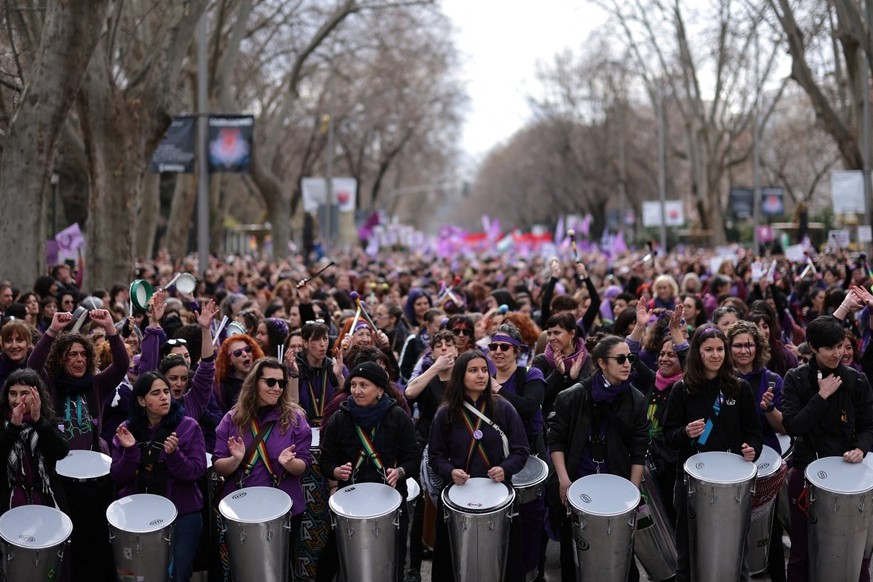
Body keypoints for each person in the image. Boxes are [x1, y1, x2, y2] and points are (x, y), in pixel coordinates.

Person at [547, 335, 651, 581]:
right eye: (621, 359)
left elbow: (639, 449)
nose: (628, 364)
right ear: (602, 363)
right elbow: (556, 440)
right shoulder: (571, 396)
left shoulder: (635, 399)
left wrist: (633, 494)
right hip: (576, 481)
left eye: (631, 358)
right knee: (574, 555)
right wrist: (563, 480)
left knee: (621, 558)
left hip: (616, 484)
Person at [664, 324, 763, 582]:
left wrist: (753, 449)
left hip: (732, 483)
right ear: (698, 352)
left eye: (720, 349)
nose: (716, 355)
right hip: (690, 482)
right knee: (688, 553)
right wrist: (685, 432)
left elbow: (754, 432)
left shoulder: (739, 388)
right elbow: (668, 437)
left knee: (734, 552)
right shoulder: (682, 389)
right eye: (709, 349)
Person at [781, 315, 873, 582]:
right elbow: (793, 426)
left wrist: (861, 448)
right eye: (829, 348)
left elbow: (869, 425)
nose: (837, 354)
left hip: (849, 475)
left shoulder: (857, 381)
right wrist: (821, 396)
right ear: (812, 347)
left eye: (841, 347)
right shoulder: (796, 378)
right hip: (806, 471)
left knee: (857, 553)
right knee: (801, 551)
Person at [428, 351, 529, 582]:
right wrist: (450, 471)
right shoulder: (446, 412)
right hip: (457, 498)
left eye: (484, 370)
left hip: (499, 497)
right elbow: (435, 456)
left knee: (504, 560)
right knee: (454, 561)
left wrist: (505, 468)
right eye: (473, 370)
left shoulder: (503, 408)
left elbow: (521, 450)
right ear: (460, 375)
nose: (481, 375)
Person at [317, 362, 420, 582]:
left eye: (364, 385)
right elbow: (325, 460)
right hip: (350, 503)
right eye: (353, 384)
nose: (356, 390)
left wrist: (400, 471)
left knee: (393, 561)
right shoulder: (340, 417)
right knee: (334, 559)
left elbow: (413, 458)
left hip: (389, 501)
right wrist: (336, 471)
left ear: (380, 390)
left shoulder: (397, 417)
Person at [213, 357, 311, 578]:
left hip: (284, 508)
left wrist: (290, 463)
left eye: (281, 383)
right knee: (245, 571)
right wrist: (235, 461)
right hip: (242, 510)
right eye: (270, 382)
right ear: (255, 382)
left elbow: (303, 465)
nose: (277, 388)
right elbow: (219, 465)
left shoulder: (294, 418)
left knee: (279, 571)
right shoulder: (233, 418)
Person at [111, 371, 206, 582]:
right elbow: (118, 476)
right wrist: (131, 452)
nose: (164, 397)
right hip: (138, 517)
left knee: (178, 574)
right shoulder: (127, 430)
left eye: (166, 391)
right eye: (156, 393)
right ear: (141, 400)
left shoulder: (188, 426)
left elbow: (197, 472)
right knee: (142, 576)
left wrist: (174, 456)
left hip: (183, 516)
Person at [726, 319, 787, 582]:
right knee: (732, 533)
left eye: (748, 345)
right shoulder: (720, 380)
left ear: (757, 347)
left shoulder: (771, 380)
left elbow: (783, 427)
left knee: (770, 532)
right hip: (730, 462)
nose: (743, 350)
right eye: (737, 345)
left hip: (764, 461)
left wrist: (768, 409)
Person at [403, 329, 457, 582]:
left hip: (454, 452)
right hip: (425, 449)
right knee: (422, 508)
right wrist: (434, 368)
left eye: (449, 344)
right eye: (439, 345)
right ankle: (414, 566)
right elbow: (409, 393)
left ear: (457, 350)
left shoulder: (462, 377)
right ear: (432, 351)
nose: (444, 348)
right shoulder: (429, 375)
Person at [0, 369, 69, 513]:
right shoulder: (3, 425)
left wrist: (39, 421)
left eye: (24, 393)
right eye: (13, 394)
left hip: (45, 496)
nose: (17, 400)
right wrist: (12, 428)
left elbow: (61, 451)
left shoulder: (49, 422)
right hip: (10, 499)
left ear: (36, 395)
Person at [533, 311, 588, 417]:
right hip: (549, 425)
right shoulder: (541, 360)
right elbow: (537, 396)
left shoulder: (586, 359)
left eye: (557, 333)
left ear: (572, 333)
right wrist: (557, 373)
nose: (551, 338)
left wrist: (574, 379)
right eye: (549, 333)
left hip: (577, 424)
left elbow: (588, 398)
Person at [214, 333, 264, 413]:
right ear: (229, 361)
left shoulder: (263, 378)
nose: (244, 354)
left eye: (247, 349)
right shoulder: (223, 386)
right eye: (237, 353)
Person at [0, 319, 34, 388]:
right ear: (3, 344)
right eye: (8, 341)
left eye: (20, 340)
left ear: (29, 342)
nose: (14, 346)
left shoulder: (39, 365)